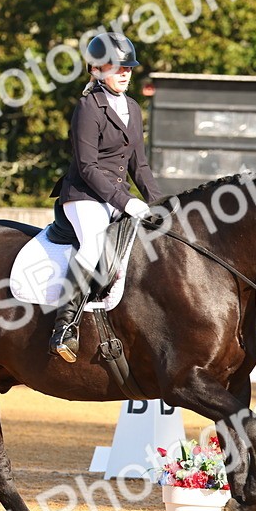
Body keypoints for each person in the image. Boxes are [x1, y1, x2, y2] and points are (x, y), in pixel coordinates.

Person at [48, 31, 161, 362]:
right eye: (117, 67)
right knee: (94, 243)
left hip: (115, 195)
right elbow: (87, 166)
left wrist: (160, 204)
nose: (124, 73)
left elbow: (140, 165)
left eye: (128, 68)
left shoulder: (133, 108)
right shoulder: (88, 107)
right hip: (84, 196)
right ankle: (64, 327)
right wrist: (126, 202)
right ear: (97, 70)